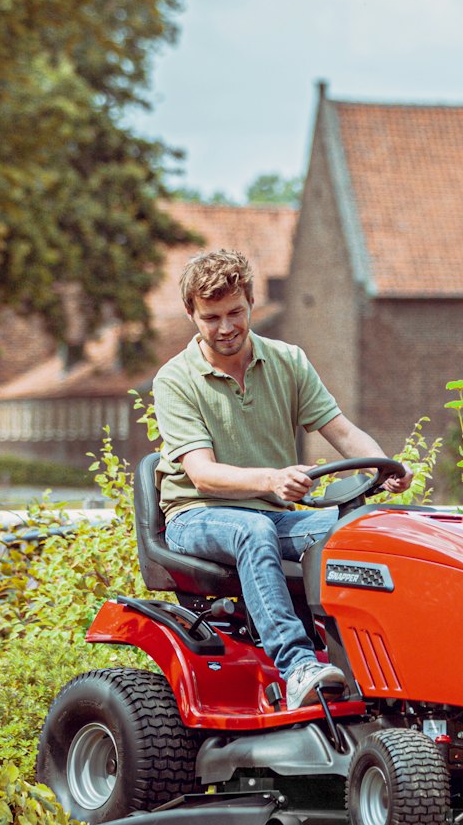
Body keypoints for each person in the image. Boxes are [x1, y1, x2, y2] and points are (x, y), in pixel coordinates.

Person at [152, 248, 411, 709]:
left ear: (252, 302)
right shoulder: (175, 379)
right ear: (192, 314)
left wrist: (384, 464)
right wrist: (272, 481)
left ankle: (385, 660)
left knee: (366, 532)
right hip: (198, 515)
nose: (226, 327)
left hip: (273, 516)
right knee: (251, 530)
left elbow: (342, 432)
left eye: (236, 312)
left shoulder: (287, 361)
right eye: (212, 317)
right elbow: (203, 475)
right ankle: (298, 668)